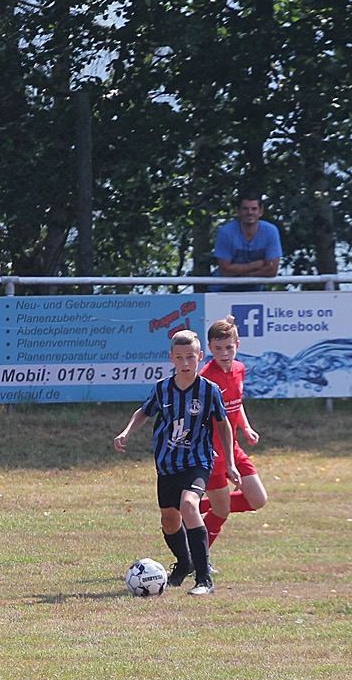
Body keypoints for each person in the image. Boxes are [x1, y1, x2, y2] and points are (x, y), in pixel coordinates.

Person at [113, 330, 239, 595]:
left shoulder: (209, 390)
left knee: (189, 506)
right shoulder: (162, 388)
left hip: (198, 461)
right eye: (179, 357)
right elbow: (143, 412)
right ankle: (184, 565)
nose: (185, 363)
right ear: (171, 358)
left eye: (190, 357)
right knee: (170, 521)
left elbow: (223, 425)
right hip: (167, 464)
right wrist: (126, 432)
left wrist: (230, 462)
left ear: (199, 357)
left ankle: (204, 580)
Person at [199, 316, 269, 549]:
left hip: (233, 447)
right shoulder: (206, 379)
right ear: (210, 349)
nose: (224, 353)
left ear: (237, 346)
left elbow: (235, 404)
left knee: (258, 499)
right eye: (218, 349)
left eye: (229, 347)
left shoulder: (240, 368)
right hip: (212, 454)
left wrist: (246, 428)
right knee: (221, 510)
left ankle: (193, 508)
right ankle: (199, 558)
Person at [210, 191, 282, 292]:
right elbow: (225, 271)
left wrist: (240, 275)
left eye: (254, 209)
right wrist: (256, 265)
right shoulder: (226, 232)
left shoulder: (270, 231)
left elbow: (272, 270)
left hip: (253, 293)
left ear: (261, 211)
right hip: (221, 291)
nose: (250, 213)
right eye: (245, 209)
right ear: (238, 211)